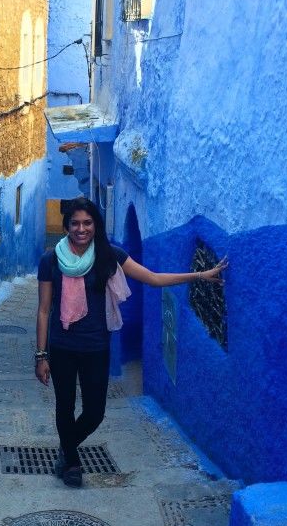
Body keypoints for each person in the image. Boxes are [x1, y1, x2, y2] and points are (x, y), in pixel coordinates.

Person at [35, 197, 227, 487]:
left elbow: (152, 278)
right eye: (75, 223)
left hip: (96, 347)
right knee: (65, 405)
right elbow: (44, 309)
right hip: (62, 346)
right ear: (66, 226)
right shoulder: (51, 261)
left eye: (87, 223)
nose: (81, 228)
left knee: (95, 412)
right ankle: (72, 463)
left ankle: (67, 446)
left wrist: (199, 274)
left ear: (95, 225)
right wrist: (41, 355)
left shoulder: (109, 255)